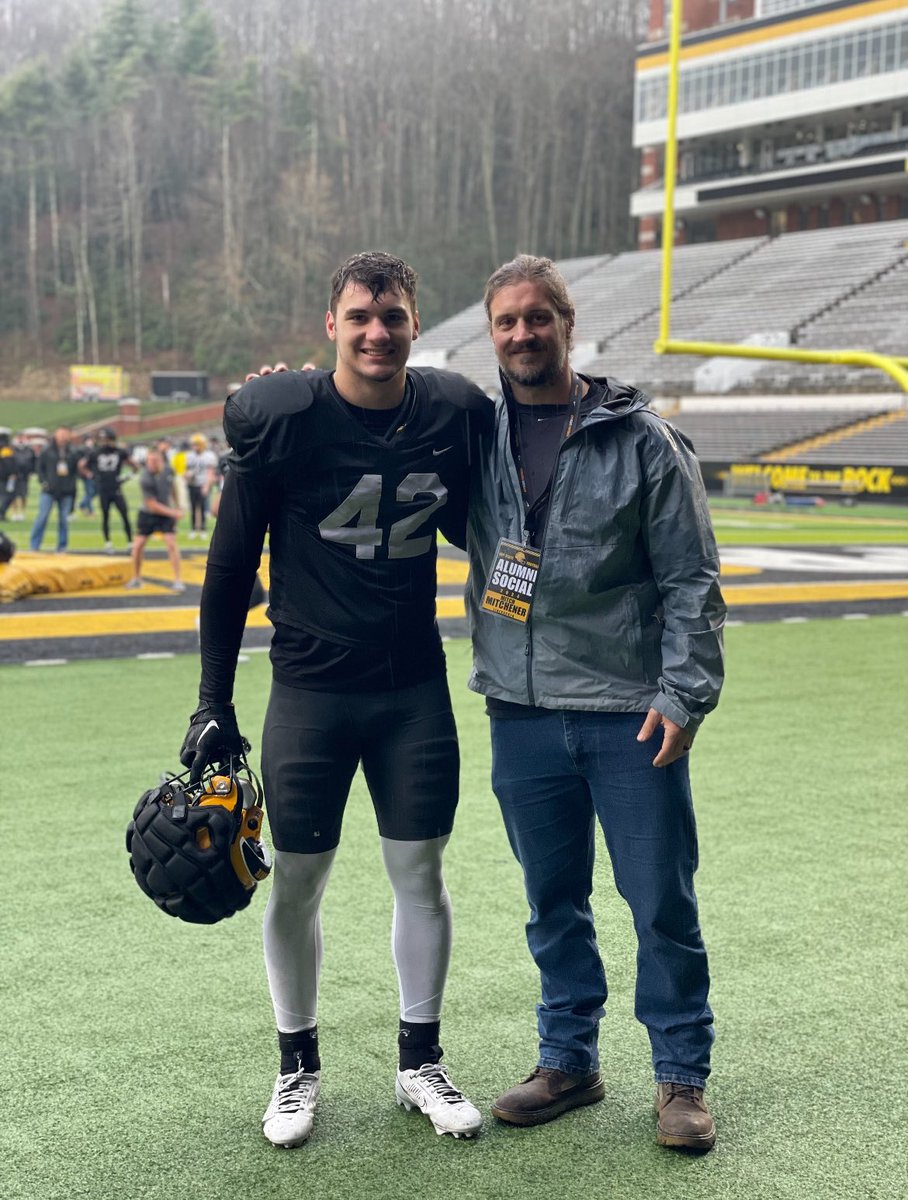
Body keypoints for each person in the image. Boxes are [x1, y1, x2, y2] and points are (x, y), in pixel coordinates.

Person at [178, 251, 490, 1149]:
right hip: (310, 690)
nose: (376, 332)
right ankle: (296, 1067)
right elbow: (230, 566)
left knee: (421, 875)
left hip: (412, 690)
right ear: (331, 326)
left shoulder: (451, 411)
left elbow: (488, 519)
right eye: (360, 317)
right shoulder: (285, 420)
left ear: (415, 324)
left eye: (391, 316)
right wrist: (212, 698)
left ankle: (419, 1061)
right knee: (298, 880)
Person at [464, 255, 725, 1152]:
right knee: (552, 902)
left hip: (627, 712)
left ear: (568, 325)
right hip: (522, 712)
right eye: (506, 322)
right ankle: (568, 1061)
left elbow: (693, 579)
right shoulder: (475, 434)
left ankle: (680, 1079)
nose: (522, 334)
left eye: (539, 318)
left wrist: (685, 695)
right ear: (490, 333)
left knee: (659, 900)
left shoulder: (643, 441)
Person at [127, 448, 184, 591]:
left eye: (155, 461)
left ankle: (178, 579)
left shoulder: (168, 471)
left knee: (171, 544)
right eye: (149, 461)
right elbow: (152, 505)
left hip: (166, 512)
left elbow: (173, 489)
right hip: (149, 514)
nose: (152, 464)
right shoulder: (145, 478)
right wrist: (173, 512)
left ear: (161, 461)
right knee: (138, 546)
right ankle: (136, 577)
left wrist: (178, 506)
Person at [80, 427, 134, 552]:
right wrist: (91, 475)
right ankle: (108, 543)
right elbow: (82, 465)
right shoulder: (95, 452)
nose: (105, 442)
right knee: (105, 517)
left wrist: (127, 477)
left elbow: (134, 465)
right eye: (103, 440)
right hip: (103, 488)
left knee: (124, 515)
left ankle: (130, 542)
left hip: (116, 488)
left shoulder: (120, 452)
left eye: (107, 440)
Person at [29, 426, 82, 552]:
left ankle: (62, 546)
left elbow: (76, 470)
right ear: (55, 435)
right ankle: (34, 545)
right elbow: (39, 468)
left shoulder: (73, 452)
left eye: (65, 434)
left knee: (64, 520)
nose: (63, 436)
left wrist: (72, 485)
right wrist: (44, 482)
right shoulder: (47, 450)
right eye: (61, 433)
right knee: (42, 517)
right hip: (49, 490)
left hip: (66, 490)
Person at [184, 432, 217, 539]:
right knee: (193, 507)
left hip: (203, 484)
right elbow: (186, 471)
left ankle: (202, 529)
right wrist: (187, 476)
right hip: (192, 484)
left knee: (202, 507)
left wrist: (207, 486)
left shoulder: (209, 456)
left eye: (197, 444)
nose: (195, 447)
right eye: (193, 444)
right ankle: (193, 528)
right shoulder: (189, 456)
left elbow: (210, 472)